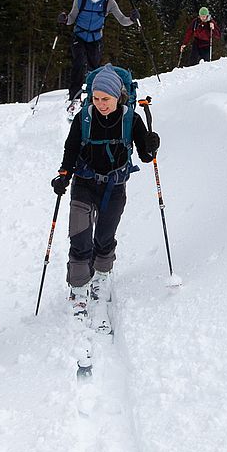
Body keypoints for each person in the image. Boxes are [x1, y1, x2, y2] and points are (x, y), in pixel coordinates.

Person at [50, 65, 159, 316]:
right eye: (96, 98)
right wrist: (63, 175)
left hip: (115, 185)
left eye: (106, 99)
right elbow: (71, 148)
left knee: (104, 237)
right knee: (79, 236)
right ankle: (78, 286)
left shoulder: (131, 118)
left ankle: (101, 275)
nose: (100, 104)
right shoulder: (84, 117)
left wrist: (151, 144)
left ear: (118, 96)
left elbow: (145, 156)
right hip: (84, 183)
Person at [59, 0, 137, 116]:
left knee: (94, 69)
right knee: (79, 63)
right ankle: (74, 97)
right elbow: (71, 18)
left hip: (96, 39)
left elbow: (122, 20)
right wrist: (65, 19)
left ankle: (92, 95)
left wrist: (132, 19)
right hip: (79, 36)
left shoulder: (109, 2)